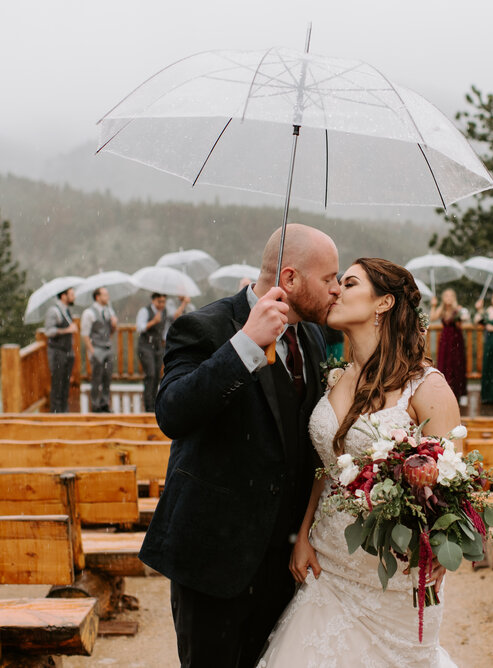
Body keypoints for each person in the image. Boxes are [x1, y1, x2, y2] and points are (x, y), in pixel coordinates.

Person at [140, 224, 341, 667]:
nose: (336, 289)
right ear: (289, 279)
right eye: (328, 278)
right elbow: (172, 413)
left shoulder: (310, 336)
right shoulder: (204, 326)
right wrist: (244, 345)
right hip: (215, 560)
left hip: (283, 562)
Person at [258, 258, 460, 666]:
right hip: (328, 565)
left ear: (383, 303)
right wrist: (303, 535)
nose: (336, 291)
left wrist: (443, 544)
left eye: (349, 284)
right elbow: (327, 467)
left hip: (393, 576)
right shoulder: (336, 378)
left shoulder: (427, 386)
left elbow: (453, 483)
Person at [135, 292, 190, 412]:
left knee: (157, 375)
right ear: (153, 301)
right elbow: (140, 327)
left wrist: (184, 303)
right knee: (150, 374)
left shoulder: (165, 311)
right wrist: (153, 322)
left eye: (163, 302)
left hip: (158, 346)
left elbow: (171, 321)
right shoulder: (145, 311)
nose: (161, 304)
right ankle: (148, 405)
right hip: (145, 346)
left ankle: (154, 403)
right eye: (159, 302)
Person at [80, 286, 118, 413]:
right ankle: (95, 405)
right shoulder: (89, 313)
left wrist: (114, 324)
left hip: (107, 347)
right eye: (105, 295)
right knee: (96, 378)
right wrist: (92, 351)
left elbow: (111, 332)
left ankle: (105, 404)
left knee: (107, 377)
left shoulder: (109, 311)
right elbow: (85, 334)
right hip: (96, 348)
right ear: (98, 297)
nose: (107, 297)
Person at [429, 288, 468, 403]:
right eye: (446, 296)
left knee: (457, 364)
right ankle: (444, 392)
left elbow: (461, 323)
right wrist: (433, 305)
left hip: (456, 339)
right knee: (445, 364)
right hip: (445, 339)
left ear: (454, 298)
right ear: (443, 298)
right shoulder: (442, 310)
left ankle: (461, 393)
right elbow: (432, 318)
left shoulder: (458, 309)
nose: (449, 298)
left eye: (451, 296)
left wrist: (460, 318)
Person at [43, 287, 77, 413]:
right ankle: (56, 413)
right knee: (57, 384)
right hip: (57, 352)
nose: (74, 297)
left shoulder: (67, 311)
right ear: (64, 296)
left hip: (68, 352)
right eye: (71, 294)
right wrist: (67, 330)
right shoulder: (54, 311)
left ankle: (64, 411)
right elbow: (49, 331)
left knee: (65, 384)